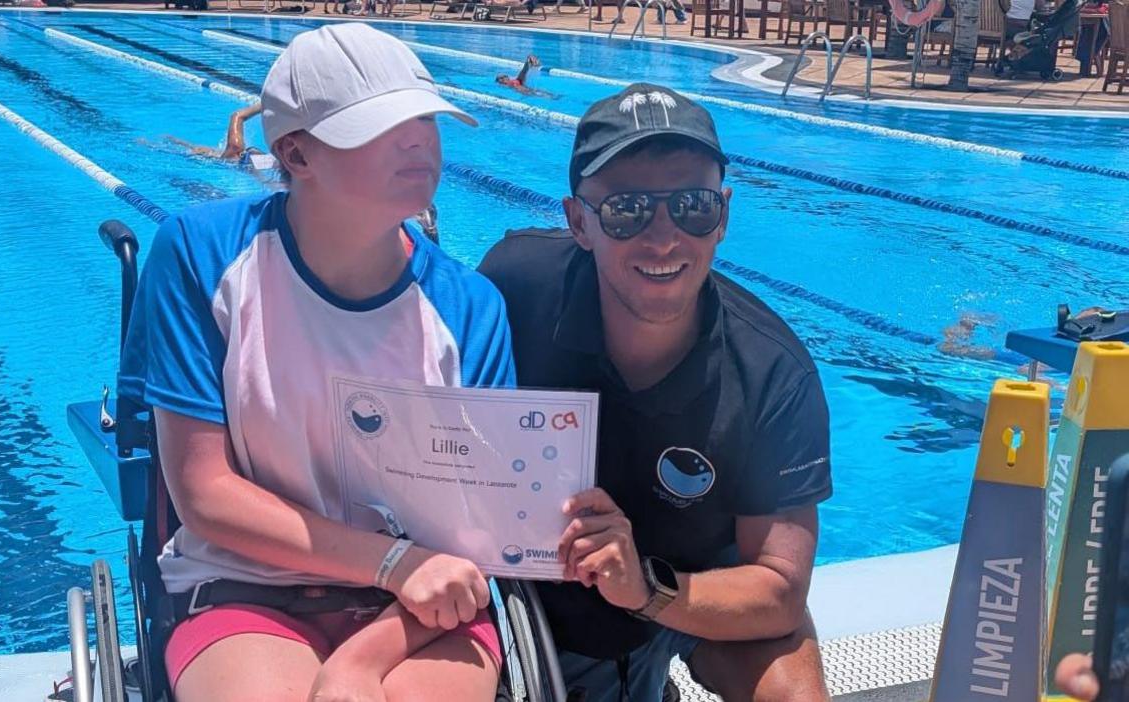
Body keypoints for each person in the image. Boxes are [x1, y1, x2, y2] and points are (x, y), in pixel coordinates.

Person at [120, 23, 512, 702]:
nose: (420, 138)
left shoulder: (470, 307)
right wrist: (389, 561)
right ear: (295, 154)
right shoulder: (201, 255)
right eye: (383, 125)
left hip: (425, 612)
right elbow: (204, 495)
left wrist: (362, 659)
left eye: (426, 117)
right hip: (245, 587)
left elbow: (484, 523)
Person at [478, 83, 832, 702]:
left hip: (688, 587)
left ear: (722, 216)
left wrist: (644, 587)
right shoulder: (513, 288)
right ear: (578, 222)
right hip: (539, 595)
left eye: (691, 206)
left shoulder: (772, 371)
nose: (664, 238)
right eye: (627, 210)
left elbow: (779, 589)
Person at [166, 103, 264, 166]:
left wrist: (266, 103)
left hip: (233, 159)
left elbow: (237, 115)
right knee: (202, 151)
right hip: (237, 161)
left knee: (200, 151)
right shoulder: (235, 151)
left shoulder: (235, 148)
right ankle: (178, 142)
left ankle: (176, 142)